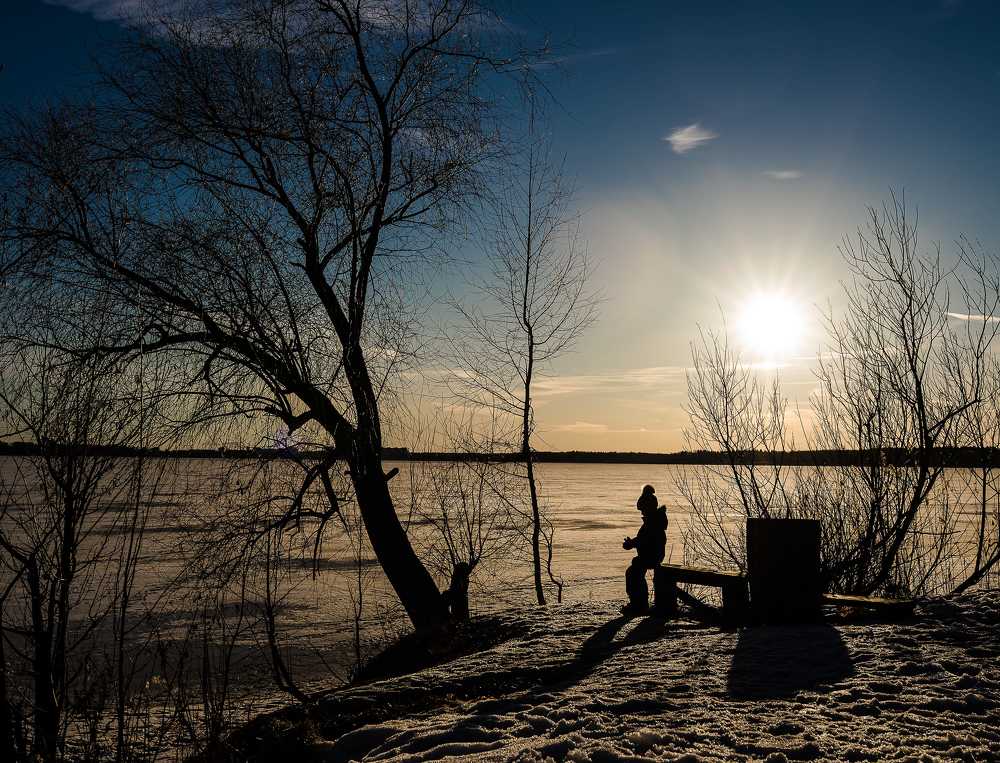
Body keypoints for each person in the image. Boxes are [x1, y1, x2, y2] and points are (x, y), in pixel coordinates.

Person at [621, 484, 668, 616]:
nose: (641, 513)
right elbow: (643, 539)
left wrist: (632, 543)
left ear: (648, 508)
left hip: (652, 556)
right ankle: (638, 603)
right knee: (634, 571)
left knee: (633, 573)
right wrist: (633, 543)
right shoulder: (653, 521)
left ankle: (639, 605)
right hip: (651, 555)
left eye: (642, 510)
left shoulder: (653, 522)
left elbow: (646, 539)